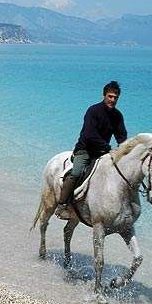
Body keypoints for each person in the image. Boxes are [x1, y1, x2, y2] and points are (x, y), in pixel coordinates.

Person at [55, 80, 127, 218]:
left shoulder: (117, 116)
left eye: (115, 98)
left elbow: (121, 136)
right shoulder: (93, 111)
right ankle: (62, 205)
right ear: (104, 95)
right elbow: (89, 135)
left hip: (103, 152)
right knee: (76, 173)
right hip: (85, 150)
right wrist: (108, 147)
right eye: (110, 96)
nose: (112, 100)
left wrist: (124, 149)